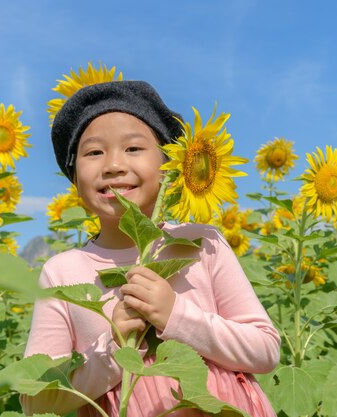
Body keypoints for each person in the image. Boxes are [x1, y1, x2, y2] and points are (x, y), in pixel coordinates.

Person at [21, 81, 281, 417]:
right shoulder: (62, 272)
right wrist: (113, 348)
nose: (113, 164)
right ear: (74, 178)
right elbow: (36, 399)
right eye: (94, 152)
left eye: (133, 149)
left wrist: (176, 316)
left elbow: (265, 349)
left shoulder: (202, 244)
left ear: (170, 166)